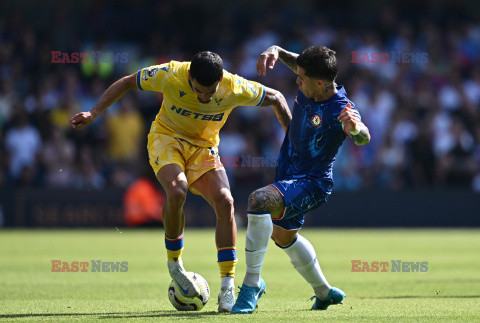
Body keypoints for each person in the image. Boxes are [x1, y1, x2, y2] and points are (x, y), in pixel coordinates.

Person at [70, 51, 291, 312]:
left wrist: (293, 144)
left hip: (204, 148)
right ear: (189, 77)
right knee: (177, 190)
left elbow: (277, 97)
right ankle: (175, 264)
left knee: (226, 201)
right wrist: (94, 113)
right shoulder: (171, 74)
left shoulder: (234, 86)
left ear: (221, 79)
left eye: (210, 92)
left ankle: (227, 287)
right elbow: (128, 81)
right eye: (198, 91)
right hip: (167, 139)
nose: (204, 97)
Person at [231, 45, 371, 314]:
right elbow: (297, 63)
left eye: (301, 78)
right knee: (283, 236)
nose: (297, 80)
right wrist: (276, 49)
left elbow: (363, 136)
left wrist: (356, 128)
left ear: (319, 83)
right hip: (288, 173)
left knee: (258, 200)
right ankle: (324, 291)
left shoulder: (341, 109)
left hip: (312, 182)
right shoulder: (314, 80)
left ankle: (251, 285)